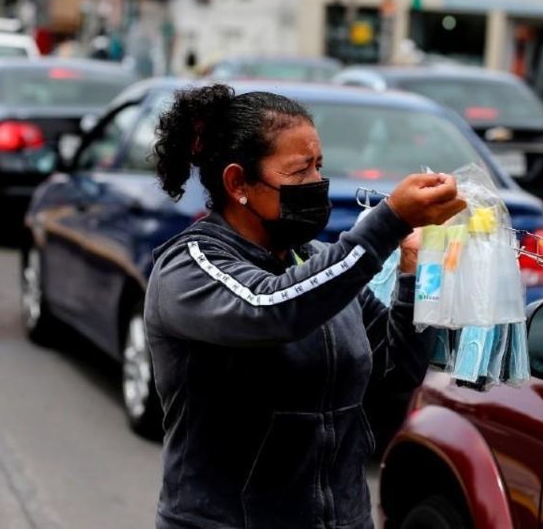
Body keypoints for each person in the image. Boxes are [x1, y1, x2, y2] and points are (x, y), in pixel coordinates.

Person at [144, 83, 466, 528]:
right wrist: (388, 221)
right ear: (238, 183)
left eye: (319, 167)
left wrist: (414, 271)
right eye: (299, 172)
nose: (317, 184)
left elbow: (397, 369)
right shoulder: (190, 267)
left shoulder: (316, 262)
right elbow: (269, 308)